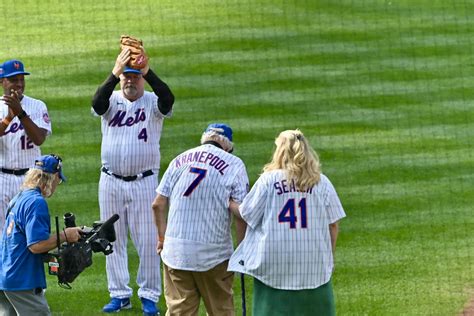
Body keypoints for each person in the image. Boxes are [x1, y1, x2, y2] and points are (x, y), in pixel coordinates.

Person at [92, 47, 174, 316]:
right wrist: (115, 73)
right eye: (127, 76)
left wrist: (148, 72)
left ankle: (149, 296)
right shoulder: (112, 99)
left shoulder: (152, 102)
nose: (130, 80)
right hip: (110, 181)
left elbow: (168, 98)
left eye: (135, 76)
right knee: (110, 239)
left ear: (143, 78)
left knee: (149, 240)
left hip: (145, 183)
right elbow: (97, 103)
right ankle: (119, 295)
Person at [228, 129, 346, 316]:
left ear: (280, 151)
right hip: (312, 264)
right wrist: (328, 257)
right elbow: (333, 224)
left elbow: (246, 213)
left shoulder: (268, 180)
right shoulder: (321, 182)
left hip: (274, 263)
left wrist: (230, 203)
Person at [152, 123, 249, 316]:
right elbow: (242, 214)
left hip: (176, 252)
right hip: (213, 254)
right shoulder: (234, 164)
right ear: (228, 146)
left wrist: (162, 239)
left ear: (204, 138)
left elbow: (158, 204)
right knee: (221, 311)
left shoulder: (179, 160)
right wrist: (242, 252)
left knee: (179, 312)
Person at [0, 154, 82, 316]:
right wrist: (65, 235)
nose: (57, 186)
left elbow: (19, 241)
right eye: (58, 180)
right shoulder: (36, 202)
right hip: (22, 280)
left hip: (5, 276)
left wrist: (50, 258)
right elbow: (36, 246)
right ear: (50, 178)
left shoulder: (19, 198)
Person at [0, 59, 52, 229]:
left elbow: (39, 138)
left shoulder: (37, 106)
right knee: (2, 234)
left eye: (22, 79)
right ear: (2, 81)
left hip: (30, 179)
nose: (19, 84)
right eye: (14, 80)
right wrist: (8, 118)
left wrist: (20, 113)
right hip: (3, 179)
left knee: (31, 233)